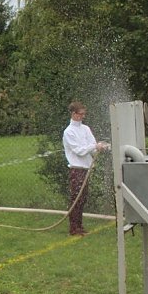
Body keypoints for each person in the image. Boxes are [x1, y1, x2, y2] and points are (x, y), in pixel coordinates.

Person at [62, 101, 109, 236]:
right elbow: (79, 151)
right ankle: (73, 228)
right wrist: (95, 146)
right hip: (76, 169)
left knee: (83, 198)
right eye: (81, 114)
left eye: (84, 114)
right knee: (76, 198)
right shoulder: (68, 132)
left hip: (87, 169)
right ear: (73, 114)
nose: (83, 116)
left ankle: (79, 225)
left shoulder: (86, 129)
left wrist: (100, 147)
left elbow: (92, 147)